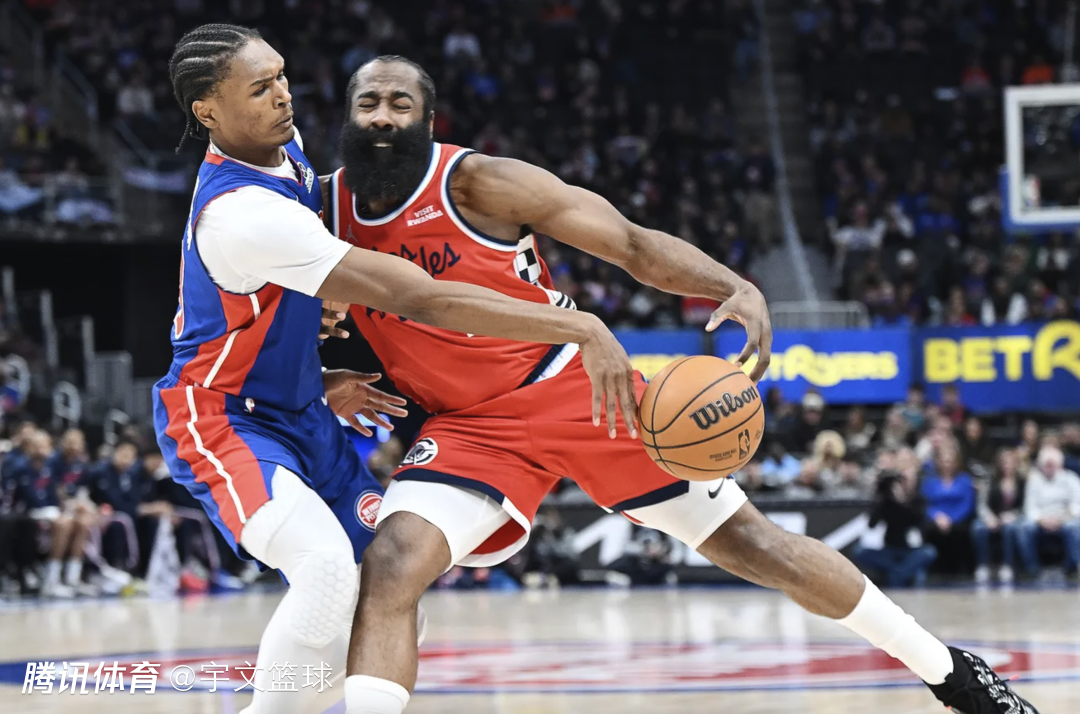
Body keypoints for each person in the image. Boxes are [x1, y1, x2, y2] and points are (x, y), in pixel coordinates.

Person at [323, 55, 1037, 714]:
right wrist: (329, 377)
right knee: (391, 563)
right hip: (466, 427)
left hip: (574, 384)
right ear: (348, 115)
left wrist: (730, 285)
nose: (383, 116)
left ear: (428, 119)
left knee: (754, 545)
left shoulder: (479, 184)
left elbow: (631, 244)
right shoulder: (322, 210)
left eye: (400, 104)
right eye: (368, 103)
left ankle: (950, 672)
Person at [157, 24, 639, 714]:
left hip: (298, 410)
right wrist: (578, 325)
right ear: (208, 110)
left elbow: (255, 307)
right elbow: (420, 296)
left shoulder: (281, 151)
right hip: (221, 416)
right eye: (260, 88)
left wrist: (310, 370)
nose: (284, 95)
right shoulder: (241, 212)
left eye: (282, 75)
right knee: (326, 569)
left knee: (388, 596)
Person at [1017, 446, 1080, 579]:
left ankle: (1071, 568)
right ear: (1041, 466)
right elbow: (1030, 507)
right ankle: (1032, 569)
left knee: (1074, 527)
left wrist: (1062, 519)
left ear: (1059, 465)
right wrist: (1041, 520)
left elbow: (1077, 505)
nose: (1049, 468)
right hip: (1040, 520)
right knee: (1024, 527)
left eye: (1052, 465)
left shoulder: (1071, 479)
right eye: (1046, 465)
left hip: (1065, 518)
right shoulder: (1034, 480)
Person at [971, 448, 1024, 585]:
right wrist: (989, 518)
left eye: (1010, 462)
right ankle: (983, 565)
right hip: (991, 517)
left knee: (1010, 529)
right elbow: (982, 504)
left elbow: (1024, 506)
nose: (1007, 465)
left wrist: (1013, 515)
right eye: (1004, 462)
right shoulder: (989, 480)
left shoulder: (1022, 481)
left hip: (1013, 518)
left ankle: (1007, 565)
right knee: (978, 528)